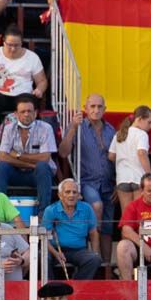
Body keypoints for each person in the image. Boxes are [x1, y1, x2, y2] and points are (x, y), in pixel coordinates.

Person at [59, 93, 116, 263]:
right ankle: (94, 257)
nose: (96, 110)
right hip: (86, 182)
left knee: (108, 228)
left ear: (105, 109)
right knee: (96, 206)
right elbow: (63, 152)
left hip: (108, 183)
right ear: (85, 108)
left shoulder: (111, 130)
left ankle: (104, 267)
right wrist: (73, 129)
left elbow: (117, 158)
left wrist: (117, 185)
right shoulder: (78, 125)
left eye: (99, 107)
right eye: (92, 106)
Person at [0, 95, 57, 217]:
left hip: (37, 174)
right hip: (17, 172)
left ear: (36, 113)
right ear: (16, 114)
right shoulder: (9, 128)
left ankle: (43, 213)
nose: (26, 114)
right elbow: (3, 157)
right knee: (1, 167)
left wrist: (16, 155)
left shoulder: (45, 128)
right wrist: (32, 163)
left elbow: (45, 158)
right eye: (23, 111)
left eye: (29, 111)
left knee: (43, 167)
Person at [0, 26, 47, 127]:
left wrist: (39, 90)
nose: (13, 49)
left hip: (22, 94)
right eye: (9, 45)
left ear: (22, 43)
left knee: (28, 102)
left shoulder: (32, 57)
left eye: (16, 45)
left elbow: (42, 81)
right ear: (3, 41)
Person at [42, 178, 103, 280]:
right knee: (42, 257)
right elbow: (43, 238)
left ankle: (77, 287)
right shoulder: (51, 210)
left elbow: (93, 232)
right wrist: (56, 253)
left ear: (78, 195)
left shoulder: (86, 208)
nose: (71, 195)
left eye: (74, 192)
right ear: (60, 195)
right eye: (67, 192)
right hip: (55, 249)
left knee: (94, 259)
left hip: (78, 250)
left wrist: (95, 252)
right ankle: (51, 289)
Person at [108, 104, 151, 212]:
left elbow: (111, 156)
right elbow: (141, 153)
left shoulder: (119, 133)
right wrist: (150, 175)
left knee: (127, 214)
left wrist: (123, 159)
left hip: (122, 178)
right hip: (139, 178)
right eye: (149, 122)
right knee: (140, 213)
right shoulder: (142, 134)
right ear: (139, 119)